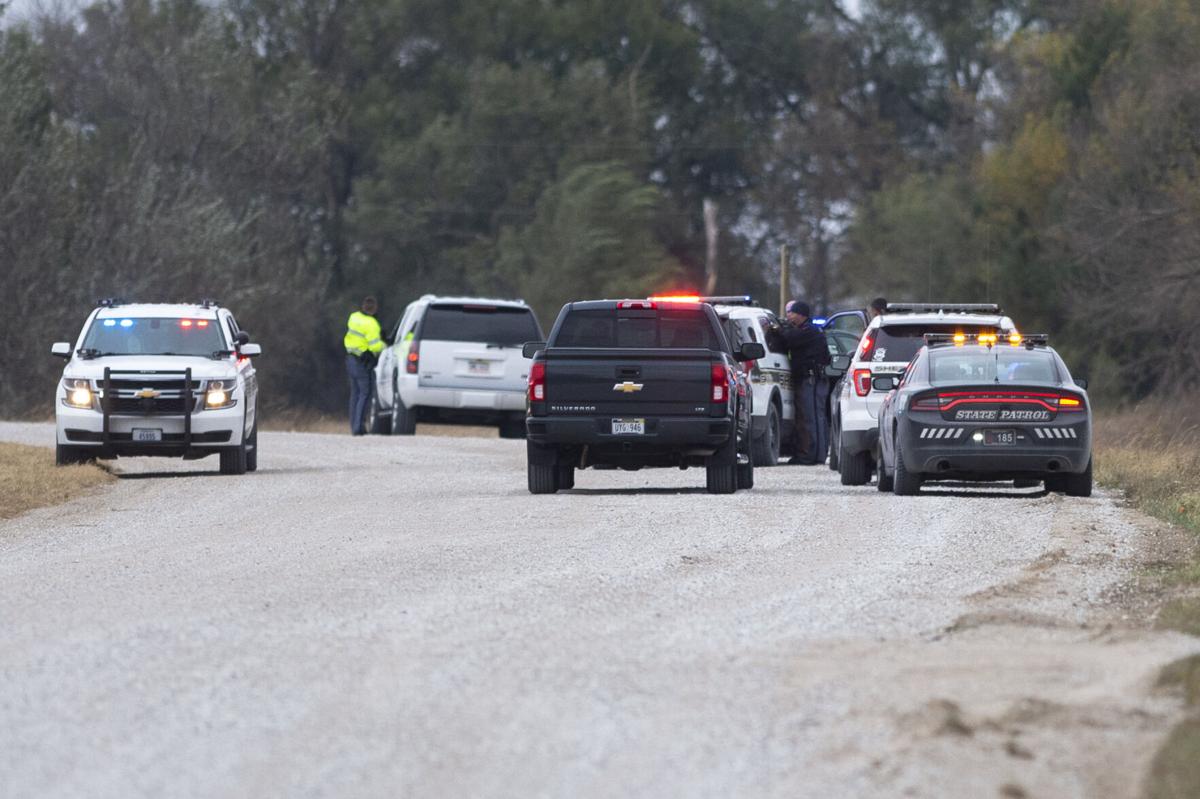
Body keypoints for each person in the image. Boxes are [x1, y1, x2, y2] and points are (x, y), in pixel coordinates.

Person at [778, 300, 831, 465]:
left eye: (791, 313)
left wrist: (777, 329)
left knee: (810, 417)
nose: (788, 316)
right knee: (814, 417)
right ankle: (816, 455)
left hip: (811, 380)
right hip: (812, 379)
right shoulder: (807, 330)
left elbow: (787, 339)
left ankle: (809, 455)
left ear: (801, 314)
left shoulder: (808, 331)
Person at [344, 296, 385, 435]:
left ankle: (353, 426)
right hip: (362, 362)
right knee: (365, 393)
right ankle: (358, 428)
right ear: (375, 309)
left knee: (355, 394)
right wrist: (386, 343)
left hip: (350, 358)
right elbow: (376, 347)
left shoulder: (353, 317)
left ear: (363, 307)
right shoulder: (372, 324)